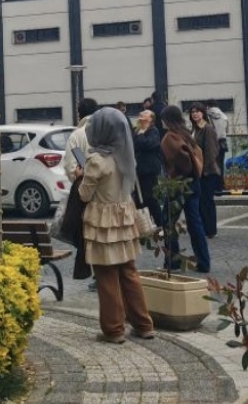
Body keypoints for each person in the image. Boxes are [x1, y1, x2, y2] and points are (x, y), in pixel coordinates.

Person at [78, 106, 156, 344]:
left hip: (103, 220)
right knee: (129, 271)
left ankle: (114, 329)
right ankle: (144, 324)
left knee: (106, 274)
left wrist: (80, 175)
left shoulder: (96, 160)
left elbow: (84, 195)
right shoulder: (126, 156)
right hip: (125, 217)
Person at [159, 105, 211, 273]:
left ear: (167, 120)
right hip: (194, 182)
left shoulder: (170, 137)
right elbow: (198, 152)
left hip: (178, 184)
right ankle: (204, 262)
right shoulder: (186, 133)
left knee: (168, 221)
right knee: (195, 222)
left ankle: (173, 261)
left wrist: (176, 172)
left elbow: (181, 159)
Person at [62, 98, 100, 288]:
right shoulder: (106, 132)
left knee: (87, 232)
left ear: (79, 114)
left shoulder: (77, 135)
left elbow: (72, 165)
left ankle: (97, 274)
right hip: (108, 191)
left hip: (85, 190)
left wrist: (79, 174)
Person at [189, 102, 222, 239]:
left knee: (207, 201)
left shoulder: (207, 129)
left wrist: (203, 169)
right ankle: (204, 228)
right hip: (197, 170)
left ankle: (210, 229)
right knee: (201, 201)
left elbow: (211, 151)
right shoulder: (194, 129)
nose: (195, 114)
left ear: (203, 113)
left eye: (198, 111)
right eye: (192, 112)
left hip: (207, 171)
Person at [131, 109, 165, 228]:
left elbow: (147, 144)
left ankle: (160, 223)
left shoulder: (153, 131)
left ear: (150, 119)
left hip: (149, 170)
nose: (142, 114)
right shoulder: (137, 130)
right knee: (140, 198)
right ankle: (145, 225)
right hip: (139, 170)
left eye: (145, 113)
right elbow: (134, 145)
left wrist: (141, 134)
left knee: (150, 197)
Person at [205, 100, 229, 186]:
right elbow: (227, 130)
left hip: (211, 142)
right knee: (220, 164)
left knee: (211, 164)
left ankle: (212, 185)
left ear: (208, 106)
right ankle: (220, 185)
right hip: (222, 142)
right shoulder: (224, 116)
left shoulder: (206, 115)